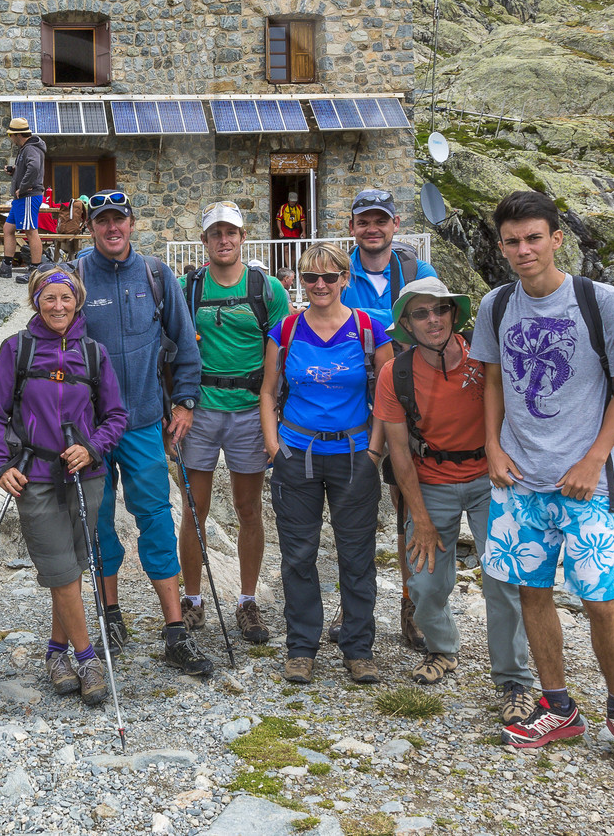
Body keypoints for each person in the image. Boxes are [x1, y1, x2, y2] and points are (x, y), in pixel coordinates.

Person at [470, 189, 614, 775]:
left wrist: (594, 458)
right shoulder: (496, 305)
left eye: (534, 238)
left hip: (587, 484)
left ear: (556, 238)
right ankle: (558, 708)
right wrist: (492, 446)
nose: (523, 250)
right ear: (501, 246)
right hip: (520, 481)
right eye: (512, 241)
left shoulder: (600, 301)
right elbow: (493, 380)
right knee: (532, 592)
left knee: (600, 598)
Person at [374, 276, 535, 724]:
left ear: (453, 314)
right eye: (421, 313)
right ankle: (443, 648)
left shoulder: (484, 359)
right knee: (425, 583)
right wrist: (420, 518)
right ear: (407, 324)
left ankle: (514, 679)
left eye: (440, 310)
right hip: (430, 482)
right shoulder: (395, 374)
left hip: (491, 478)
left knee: (502, 578)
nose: (433, 320)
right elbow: (399, 452)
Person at [76, 190, 212, 676]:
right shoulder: (75, 274)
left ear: (132, 223)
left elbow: (184, 343)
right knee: (98, 522)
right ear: (91, 227)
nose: (112, 227)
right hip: (91, 429)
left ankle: (175, 630)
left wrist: (185, 402)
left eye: (119, 219)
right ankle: (110, 617)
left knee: (155, 518)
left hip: (144, 421)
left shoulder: (156, 275)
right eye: (102, 221)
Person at [0, 266, 128, 704]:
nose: (58, 306)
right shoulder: (17, 349)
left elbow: (116, 416)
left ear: (77, 301)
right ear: (36, 302)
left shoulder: (94, 353)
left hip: (86, 475)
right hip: (35, 477)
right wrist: (0, 465)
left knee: (75, 566)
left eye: (66, 298)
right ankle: (87, 658)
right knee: (60, 569)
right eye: (49, 298)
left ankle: (55, 652)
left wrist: (94, 448)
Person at [259, 241, 392, 685]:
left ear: (344, 279)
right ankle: (301, 648)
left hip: (354, 456)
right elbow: (267, 390)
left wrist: (374, 452)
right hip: (297, 454)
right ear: (300, 280)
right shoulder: (286, 329)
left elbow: (387, 398)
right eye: (311, 277)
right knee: (298, 555)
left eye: (329, 277)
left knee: (357, 556)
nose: (320, 285)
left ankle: (358, 649)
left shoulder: (369, 329)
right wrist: (274, 447)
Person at [177, 201, 290, 645]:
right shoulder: (189, 288)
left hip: (250, 410)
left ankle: (247, 601)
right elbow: (173, 345)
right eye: (215, 233)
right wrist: (176, 405)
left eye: (231, 232)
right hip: (201, 409)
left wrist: (275, 414)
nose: (223, 240)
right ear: (204, 241)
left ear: (243, 237)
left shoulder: (268, 289)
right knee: (195, 509)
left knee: (248, 509)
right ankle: (192, 600)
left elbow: (281, 353)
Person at [342, 187, 439, 651]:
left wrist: (365, 320)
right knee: (351, 513)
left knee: (407, 506)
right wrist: (394, 323)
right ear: (352, 227)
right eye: (364, 221)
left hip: (410, 406)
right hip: (351, 407)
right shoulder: (338, 273)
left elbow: (436, 324)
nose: (372, 229)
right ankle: (353, 604)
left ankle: (411, 602)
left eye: (381, 220)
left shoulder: (420, 273)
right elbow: (327, 318)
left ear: (396, 225)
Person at [2, 117, 46, 283]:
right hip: (22, 197)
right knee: (8, 228)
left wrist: (23, 186)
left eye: (11, 135)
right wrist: (15, 171)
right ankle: (6, 265)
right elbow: (29, 167)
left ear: (18, 135)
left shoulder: (30, 149)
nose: (10, 138)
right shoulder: (26, 149)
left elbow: (34, 167)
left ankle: (35, 270)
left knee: (30, 231)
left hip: (28, 196)